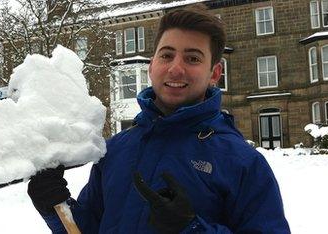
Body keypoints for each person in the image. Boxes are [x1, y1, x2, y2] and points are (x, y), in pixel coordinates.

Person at [27, 7, 291, 233]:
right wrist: (56, 204)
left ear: (215, 73)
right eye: (166, 55)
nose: (176, 68)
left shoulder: (242, 162)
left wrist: (191, 228)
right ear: (152, 65)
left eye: (192, 58)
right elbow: (87, 228)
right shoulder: (116, 150)